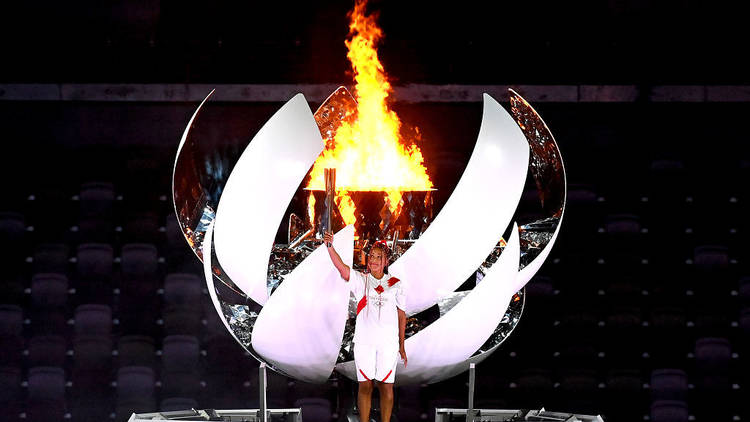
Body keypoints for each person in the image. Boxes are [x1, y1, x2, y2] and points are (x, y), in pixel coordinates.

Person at [324, 231, 407, 422]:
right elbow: (343, 269)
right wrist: (330, 247)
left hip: (388, 344)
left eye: (379, 257)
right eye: (372, 256)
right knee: (365, 386)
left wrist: (402, 345)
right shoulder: (362, 280)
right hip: (364, 342)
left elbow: (401, 316)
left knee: (386, 386)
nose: (374, 260)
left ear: (386, 261)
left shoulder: (396, 284)